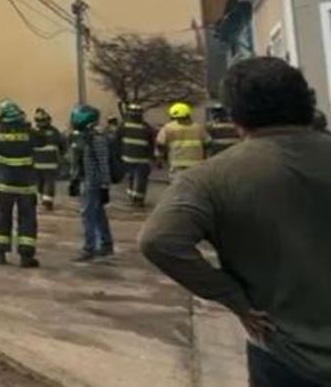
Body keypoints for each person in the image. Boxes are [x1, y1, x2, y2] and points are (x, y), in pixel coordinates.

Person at [140, 57, 331, 386]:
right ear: (306, 100)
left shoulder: (210, 179)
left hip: (286, 356)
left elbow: (159, 240)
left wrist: (233, 298)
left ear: (235, 118)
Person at [0, 100, 43, 268]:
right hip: (26, 185)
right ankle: (26, 257)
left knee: (2, 217)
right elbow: (42, 139)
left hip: (5, 184)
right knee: (28, 219)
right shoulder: (30, 132)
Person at [68, 104, 114, 261]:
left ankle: (90, 248)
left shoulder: (96, 138)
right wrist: (74, 179)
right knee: (98, 214)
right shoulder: (80, 137)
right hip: (85, 180)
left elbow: (103, 163)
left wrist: (104, 186)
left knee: (88, 215)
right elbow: (77, 162)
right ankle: (106, 244)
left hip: (93, 182)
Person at [156, 101, 210, 178]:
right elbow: (208, 144)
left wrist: (159, 159)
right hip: (196, 165)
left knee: (178, 187)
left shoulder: (168, 128)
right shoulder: (199, 128)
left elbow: (160, 144)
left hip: (177, 165)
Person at [118, 103, 156, 208]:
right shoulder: (146, 127)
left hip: (127, 158)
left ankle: (132, 196)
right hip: (142, 159)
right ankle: (138, 199)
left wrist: (117, 155)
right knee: (140, 179)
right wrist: (152, 157)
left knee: (131, 178)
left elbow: (117, 141)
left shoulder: (123, 125)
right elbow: (151, 143)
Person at [31, 108, 66, 211]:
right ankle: (47, 201)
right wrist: (61, 155)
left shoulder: (32, 132)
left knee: (40, 182)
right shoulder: (55, 132)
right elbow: (63, 145)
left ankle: (43, 198)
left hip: (36, 163)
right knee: (49, 181)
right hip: (51, 162)